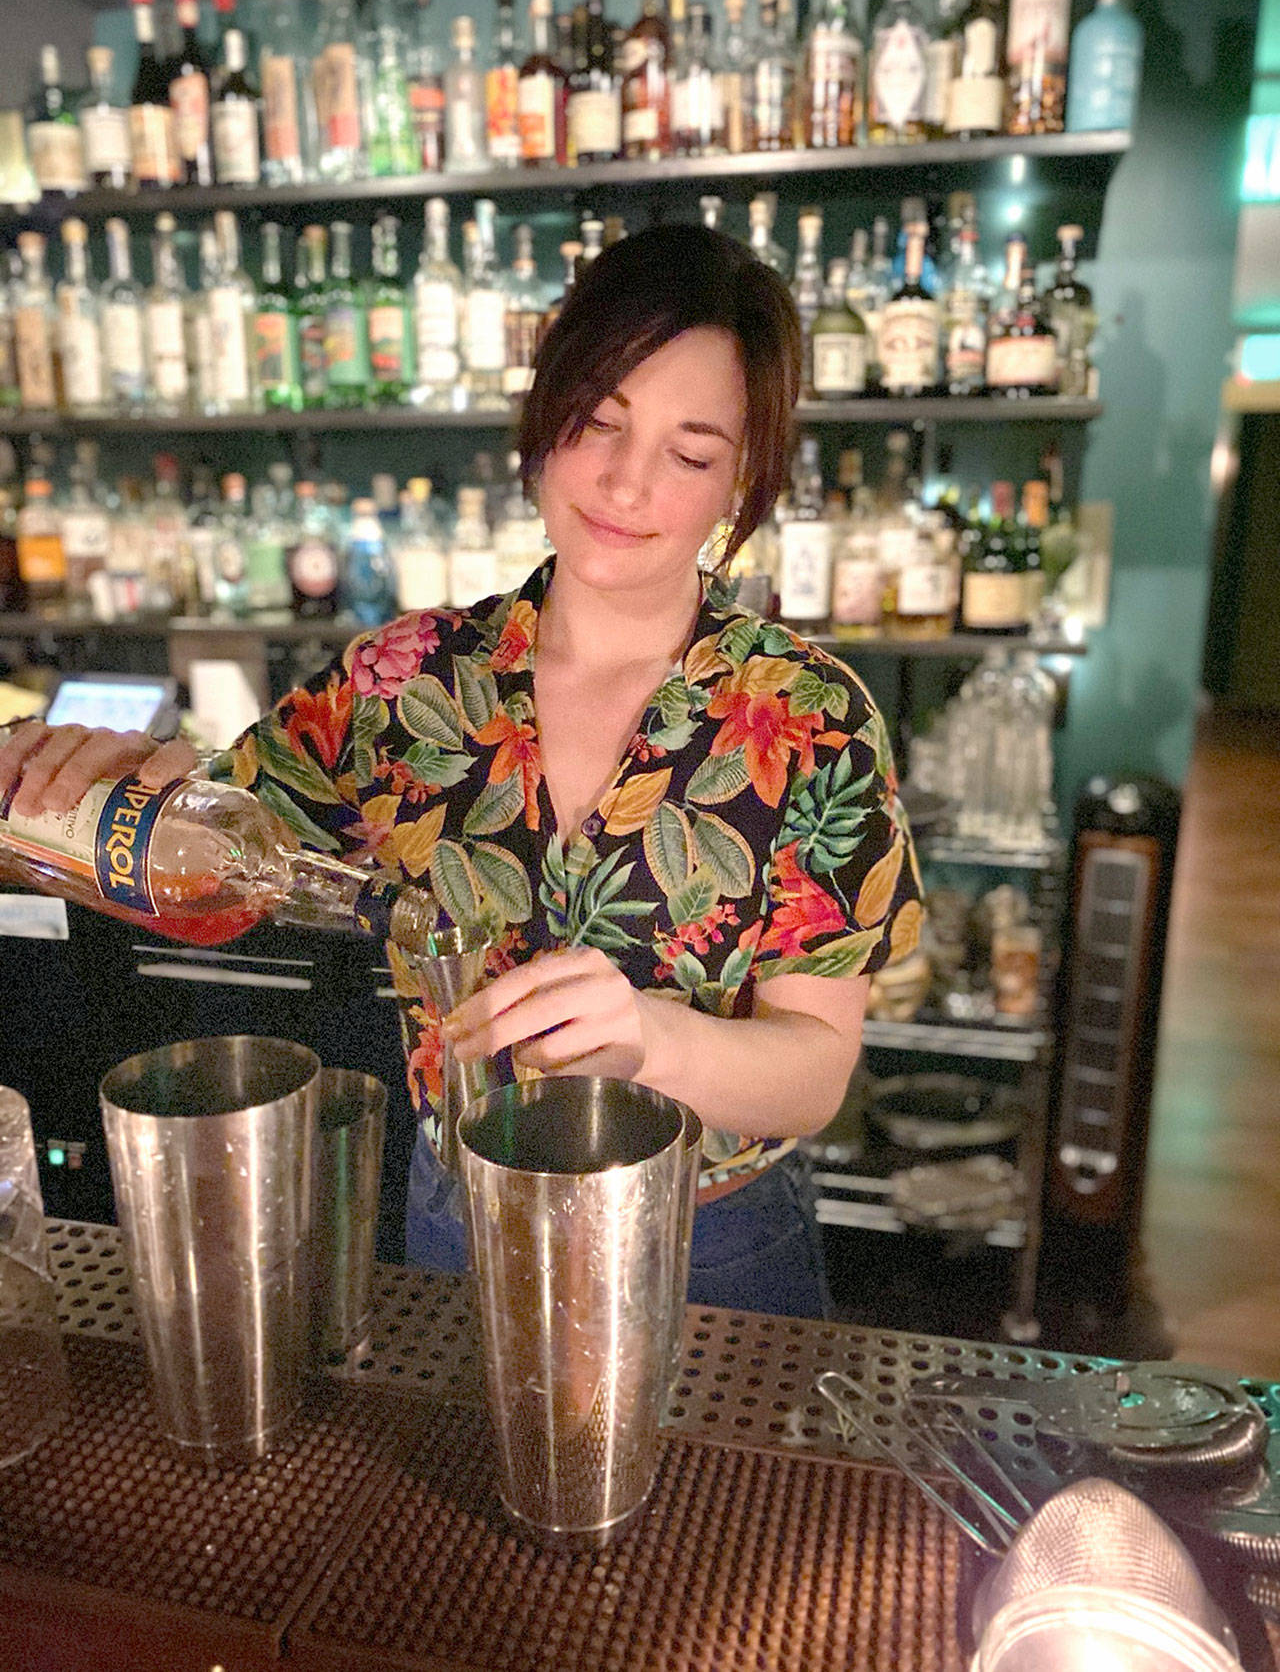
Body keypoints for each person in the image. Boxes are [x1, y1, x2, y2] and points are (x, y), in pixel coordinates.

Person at [0, 223, 922, 1319]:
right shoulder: (401, 682)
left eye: (689, 454)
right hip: (463, 1216)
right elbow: (206, 847)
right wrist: (112, 782)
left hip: (709, 1240)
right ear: (545, 415)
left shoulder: (808, 716)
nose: (626, 483)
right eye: (599, 421)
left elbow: (815, 1070)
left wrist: (652, 1037)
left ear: (740, 481)